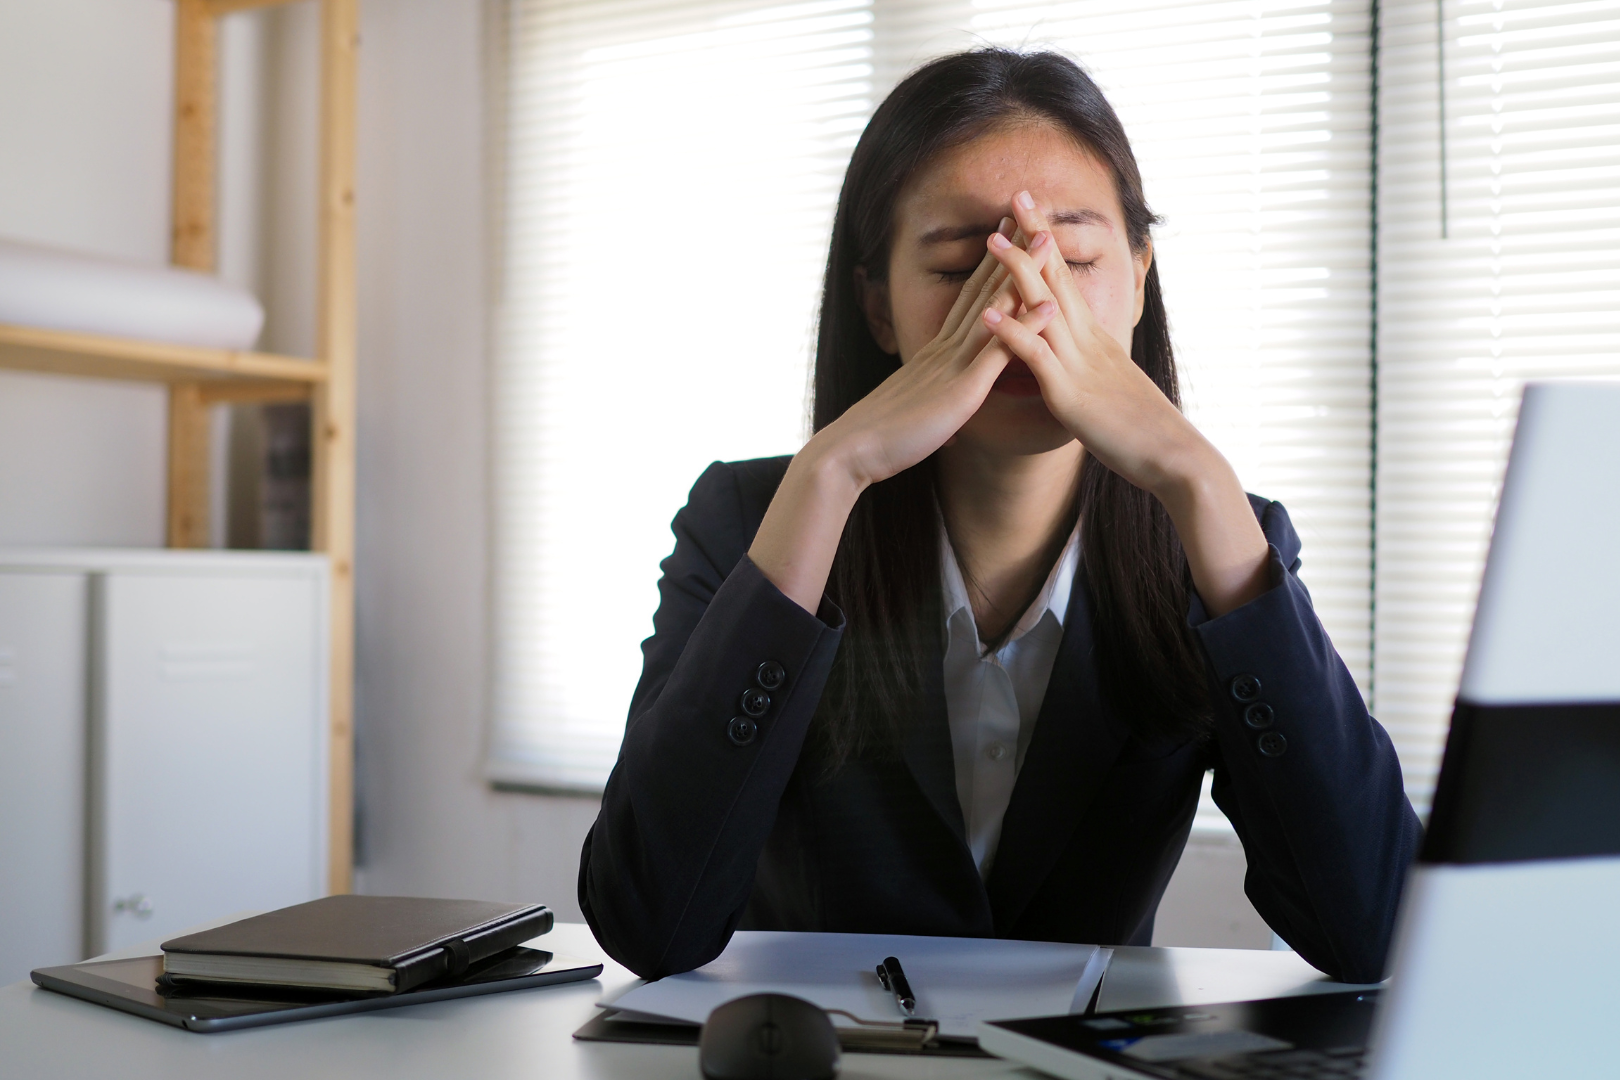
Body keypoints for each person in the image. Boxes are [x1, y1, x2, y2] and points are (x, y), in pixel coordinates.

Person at [577, 48, 1420, 984]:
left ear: (1140, 279)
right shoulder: (749, 521)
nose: (1024, 301)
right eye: (958, 267)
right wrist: (833, 470)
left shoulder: (1214, 538)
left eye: (1077, 259)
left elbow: (1378, 931)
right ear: (878, 308)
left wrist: (1198, 479)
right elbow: (645, 919)